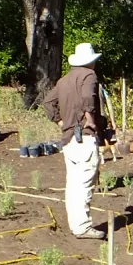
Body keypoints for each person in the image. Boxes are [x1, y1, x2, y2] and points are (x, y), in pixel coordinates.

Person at [42, 42, 104, 238]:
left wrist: (60, 122)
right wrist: (90, 119)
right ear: (90, 62)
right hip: (84, 137)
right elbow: (88, 98)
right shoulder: (89, 76)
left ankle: (76, 224)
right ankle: (82, 227)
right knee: (85, 182)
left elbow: (48, 103)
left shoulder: (64, 81)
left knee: (73, 184)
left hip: (69, 139)